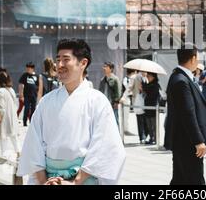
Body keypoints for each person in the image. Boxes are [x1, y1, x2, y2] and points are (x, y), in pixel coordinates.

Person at [17, 38, 126, 185]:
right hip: (48, 179)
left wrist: (76, 181)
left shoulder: (98, 101)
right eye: (58, 60)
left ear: (83, 63)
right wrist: (43, 181)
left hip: (84, 178)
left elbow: (105, 146)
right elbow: (33, 144)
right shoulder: (46, 101)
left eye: (65, 59)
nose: (59, 65)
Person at [164, 44, 206, 185]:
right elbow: (187, 113)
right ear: (193, 58)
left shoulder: (180, 77)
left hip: (183, 140)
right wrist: (198, 141)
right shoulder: (181, 80)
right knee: (194, 180)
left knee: (180, 179)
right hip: (188, 142)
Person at [0, 71, 20, 158]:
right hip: (12, 116)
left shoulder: (0, 91)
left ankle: (4, 155)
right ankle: (18, 152)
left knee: (3, 136)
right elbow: (15, 105)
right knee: (13, 136)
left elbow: (1, 108)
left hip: (4, 117)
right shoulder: (11, 90)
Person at [142, 72, 161, 144]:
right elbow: (145, 88)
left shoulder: (156, 85)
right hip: (147, 106)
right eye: (147, 76)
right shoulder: (148, 84)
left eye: (149, 76)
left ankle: (155, 139)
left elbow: (152, 94)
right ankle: (151, 137)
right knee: (149, 124)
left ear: (153, 77)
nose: (148, 77)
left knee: (154, 124)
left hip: (153, 107)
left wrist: (145, 89)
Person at [18, 62, 39, 126]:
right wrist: (21, 95)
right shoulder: (24, 75)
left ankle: (32, 121)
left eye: (29, 68)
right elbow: (21, 85)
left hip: (34, 96)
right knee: (26, 108)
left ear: (32, 69)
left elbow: (38, 86)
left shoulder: (36, 76)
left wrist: (38, 95)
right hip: (26, 96)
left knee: (33, 109)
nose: (27, 70)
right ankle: (24, 121)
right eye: (27, 68)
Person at [119, 69, 137, 135]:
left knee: (127, 115)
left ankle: (126, 129)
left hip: (127, 98)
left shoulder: (128, 79)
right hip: (125, 98)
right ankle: (125, 130)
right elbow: (127, 89)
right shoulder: (126, 79)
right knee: (125, 115)